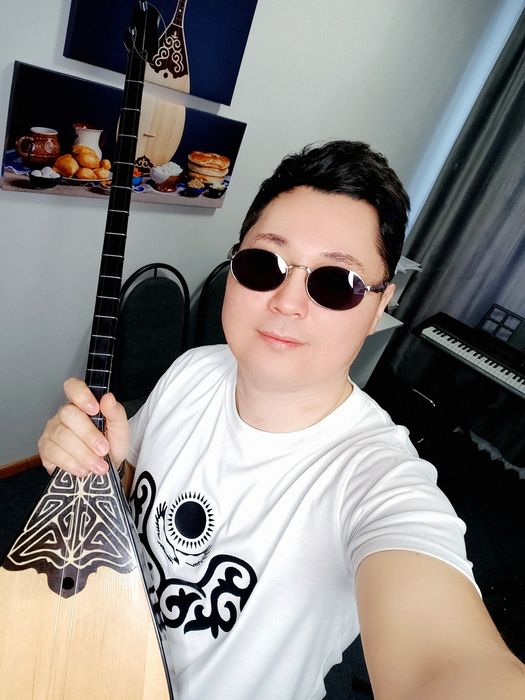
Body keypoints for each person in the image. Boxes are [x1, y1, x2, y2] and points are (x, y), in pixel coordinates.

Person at [39, 141, 525, 699]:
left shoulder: (377, 482)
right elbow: (128, 501)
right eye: (263, 265)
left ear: (379, 305)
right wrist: (94, 464)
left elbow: (447, 664)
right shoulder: (193, 370)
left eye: (336, 282)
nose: (288, 302)